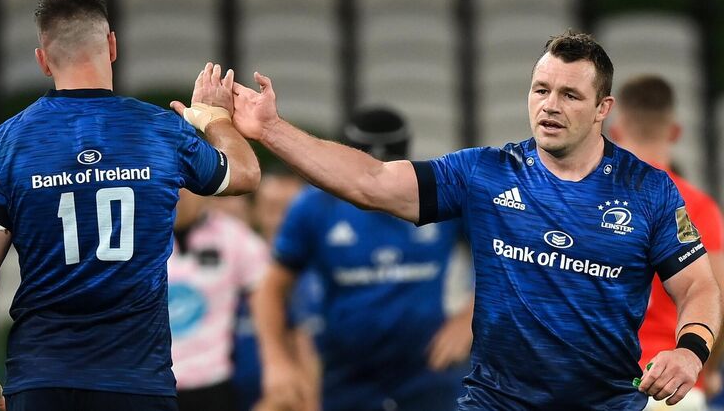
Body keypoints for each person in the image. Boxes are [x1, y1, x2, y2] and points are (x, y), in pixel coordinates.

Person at [229, 30, 722, 409]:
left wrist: (690, 351)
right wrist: (271, 129)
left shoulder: (649, 189)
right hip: (494, 401)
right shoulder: (485, 173)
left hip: (606, 403)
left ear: (602, 109)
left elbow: (699, 284)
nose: (550, 105)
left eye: (570, 95)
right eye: (541, 89)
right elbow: (372, 181)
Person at [0, 0, 259, 411]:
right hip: (137, 382)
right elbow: (245, 174)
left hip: (42, 379)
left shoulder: (11, 143)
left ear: (43, 60)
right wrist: (215, 119)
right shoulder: (160, 132)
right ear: (112, 46)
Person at [252, 107, 473, 411]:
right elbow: (271, 288)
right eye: (366, 168)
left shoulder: (438, 195)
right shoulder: (314, 206)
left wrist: (469, 318)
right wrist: (277, 362)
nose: (376, 179)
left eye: (385, 168)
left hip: (429, 371)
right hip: (347, 376)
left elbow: (506, 254)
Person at [609, 74, 724, 411]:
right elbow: (719, 294)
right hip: (675, 387)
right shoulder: (698, 206)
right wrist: (705, 367)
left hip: (602, 384)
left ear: (615, 131)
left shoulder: (588, 201)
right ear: (675, 132)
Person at [168, 189, 271, 411]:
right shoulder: (134, 237)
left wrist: (275, 369)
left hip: (213, 384)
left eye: (187, 182)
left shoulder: (234, 237)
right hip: (151, 384)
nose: (180, 191)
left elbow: (270, 299)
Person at [231, 168, 304, 411]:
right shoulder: (234, 273)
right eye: (271, 209)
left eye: (289, 211)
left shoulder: (317, 278)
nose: (280, 221)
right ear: (254, 213)